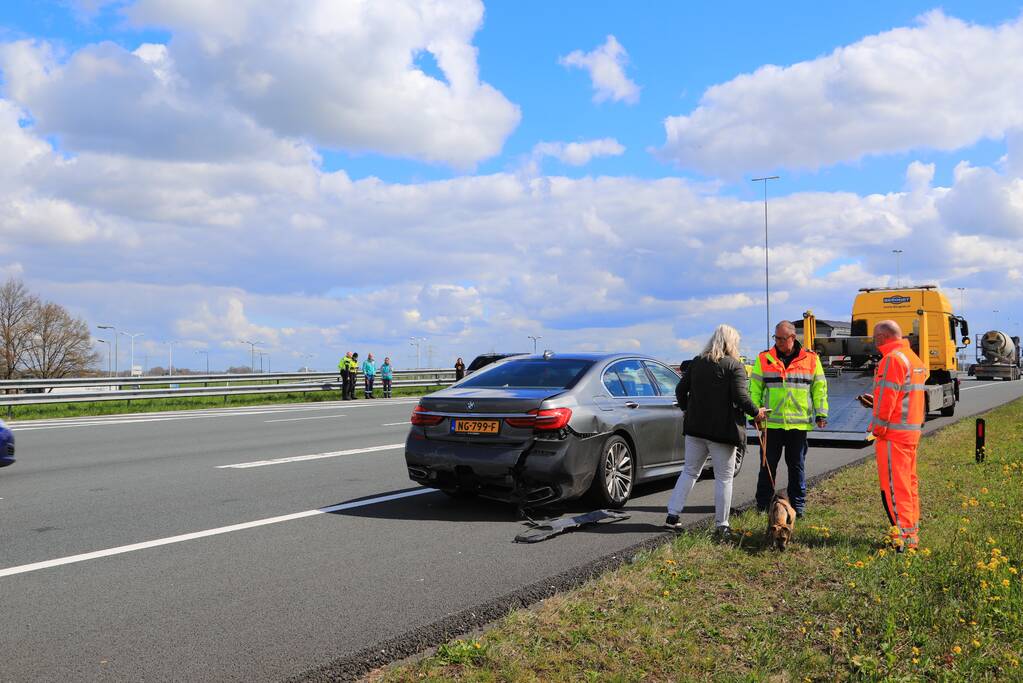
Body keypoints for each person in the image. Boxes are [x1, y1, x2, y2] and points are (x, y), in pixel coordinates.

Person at [666, 324, 767, 535]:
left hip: (695, 429)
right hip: (723, 431)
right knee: (724, 478)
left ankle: (672, 515)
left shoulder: (697, 362)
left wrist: (687, 410)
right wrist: (757, 413)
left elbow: (680, 390)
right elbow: (741, 398)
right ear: (732, 343)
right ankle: (722, 524)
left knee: (689, 471)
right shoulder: (734, 366)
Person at [858, 320, 927, 552]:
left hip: (893, 436)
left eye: (876, 339)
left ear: (882, 338)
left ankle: (903, 540)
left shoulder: (892, 359)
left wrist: (876, 429)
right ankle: (911, 534)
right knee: (908, 485)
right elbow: (904, 396)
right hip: (910, 433)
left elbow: (888, 399)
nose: (875, 344)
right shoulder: (912, 358)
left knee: (894, 489)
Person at [750, 321, 829, 517]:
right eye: (775, 338)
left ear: (793, 338)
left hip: (798, 425)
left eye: (782, 339)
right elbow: (755, 389)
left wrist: (821, 413)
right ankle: (762, 507)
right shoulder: (764, 358)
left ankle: (798, 507)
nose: (778, 342)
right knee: (767, 467)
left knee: (796, 467)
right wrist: (753, 414)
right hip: (772, 424)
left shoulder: (811, 359)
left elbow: (819, 388)